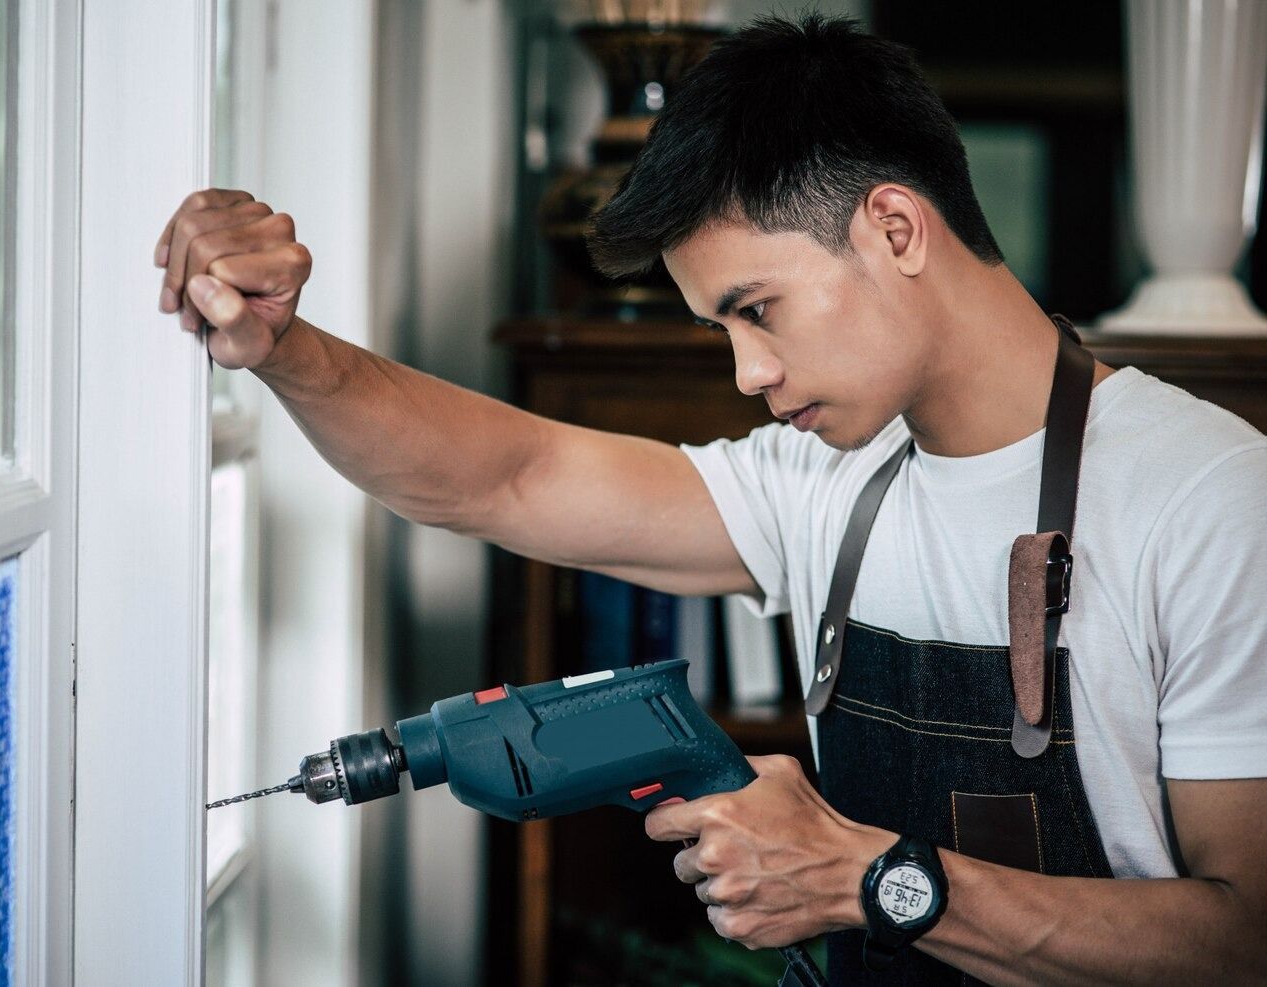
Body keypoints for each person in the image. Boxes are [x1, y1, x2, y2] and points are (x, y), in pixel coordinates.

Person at [153, 15, 1267, 986]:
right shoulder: (831, 484)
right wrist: (278, 348)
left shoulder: (1207, 500)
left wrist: (876, 881)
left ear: (893, 227)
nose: (745, 374)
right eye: (721, 330)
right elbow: (504, 477)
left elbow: (1246, 942)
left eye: (759, 309)